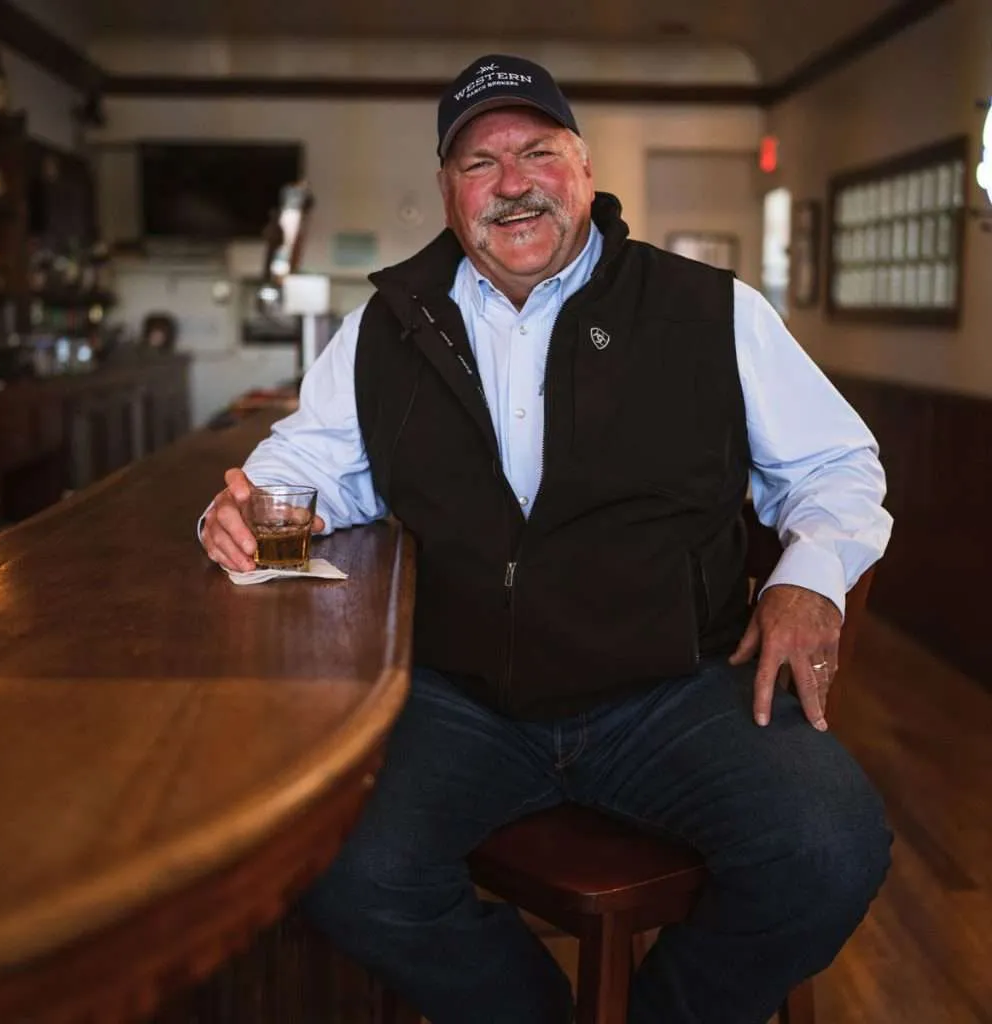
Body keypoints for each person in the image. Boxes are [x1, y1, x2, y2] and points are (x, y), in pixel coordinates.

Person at [200, 54, 893, 1024]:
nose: (512, 181)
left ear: (582, 166)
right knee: (335, 863)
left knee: (832, 845)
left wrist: (808, 576)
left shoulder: (711, 310)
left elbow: (837, 466)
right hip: (461, 695)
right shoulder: (386, 327)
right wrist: (245, 508)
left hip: (673, 687)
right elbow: (303, 470)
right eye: (480, 163)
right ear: (447, 193)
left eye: (536, 150)